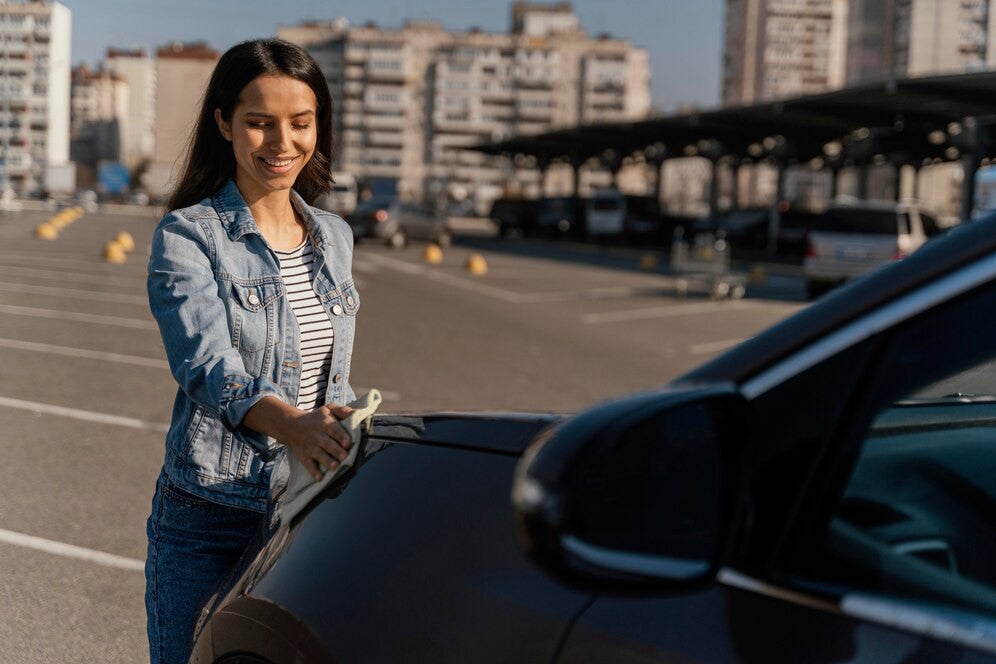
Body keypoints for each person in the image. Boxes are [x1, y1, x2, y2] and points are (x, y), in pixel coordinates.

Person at [144, 38, 360, 664]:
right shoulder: (188, 235)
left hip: (302, 513)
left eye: (300, 123)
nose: (281, 142)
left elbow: (330, 377)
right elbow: (208, 367)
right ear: (224, 123)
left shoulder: (335, 238)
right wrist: (292, 425)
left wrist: (346, 425)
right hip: (208, 513)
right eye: (260, 123)